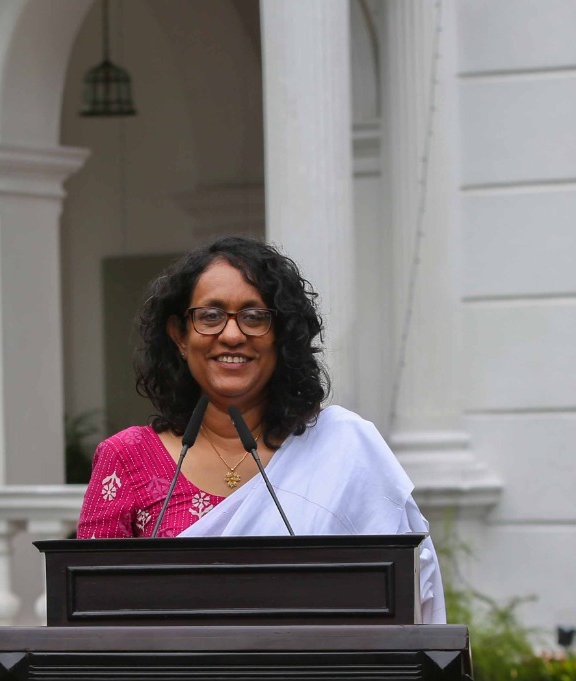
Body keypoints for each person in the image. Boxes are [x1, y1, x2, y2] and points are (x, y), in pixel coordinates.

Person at [76, 236, 447, 623]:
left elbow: (405, 598)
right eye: (210, 315)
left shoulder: (344, 450)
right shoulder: (128, 458)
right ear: (179, 336)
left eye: (254, 317)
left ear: (281, 335)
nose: (233, 335)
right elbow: (87, 612)